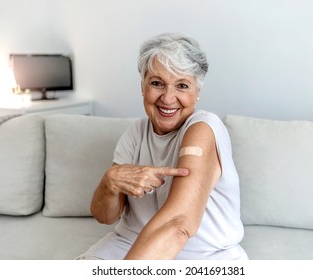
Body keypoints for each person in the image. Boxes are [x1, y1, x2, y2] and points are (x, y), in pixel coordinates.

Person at [78, 32, 248, 260]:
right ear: (143, 86)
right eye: (157, 83)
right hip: (131, 242)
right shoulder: (135, 133)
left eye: (182, 85)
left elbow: (178, 224)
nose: (168, 98)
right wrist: (110, 182)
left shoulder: (203, 128)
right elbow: (105, 216)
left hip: (206, 255)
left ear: (198, 92)